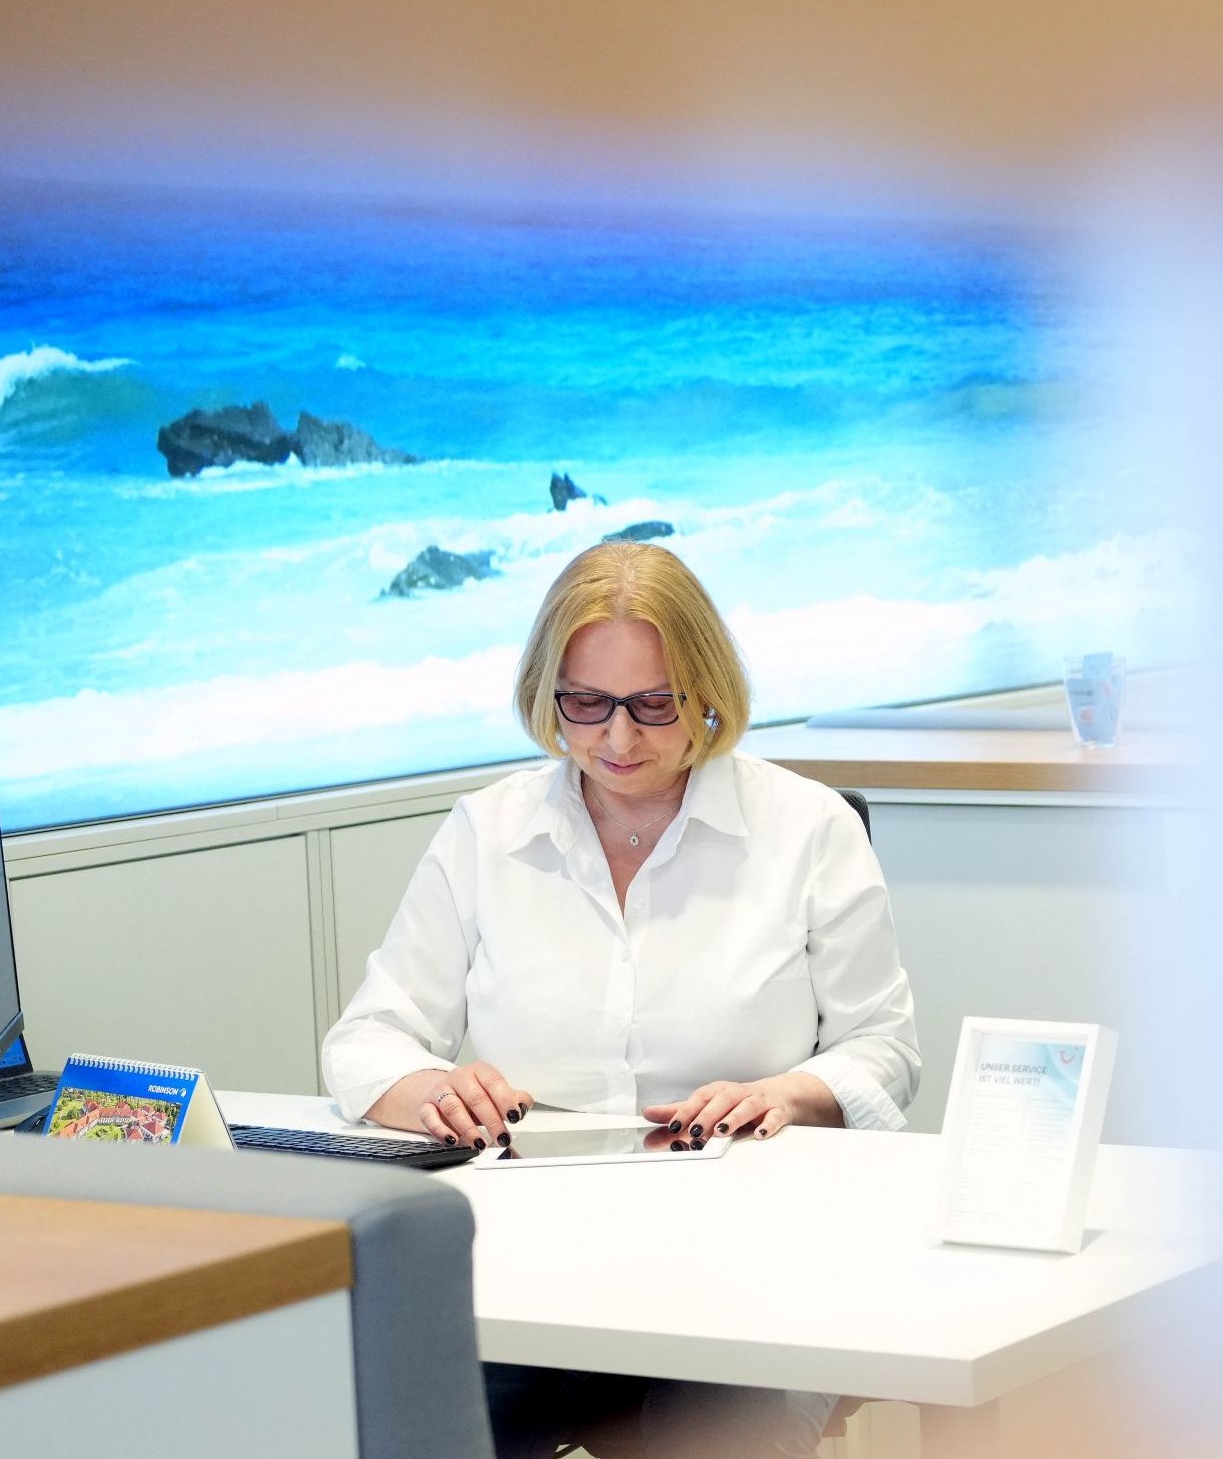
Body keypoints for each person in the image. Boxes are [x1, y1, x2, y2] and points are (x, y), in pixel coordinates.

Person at [322, 541, 919, 1459]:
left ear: (707, 691)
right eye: (588, 704)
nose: (619, 739)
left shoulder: (808, 831)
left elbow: (885, 1048)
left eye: (653, 704)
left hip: (749, 1259)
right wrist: (433, 1089)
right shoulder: (489, 833)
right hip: (531, 1267)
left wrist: (788, 1094)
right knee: (417, 1427)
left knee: (709, 1439)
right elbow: (367, 1037)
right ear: (549, 694)